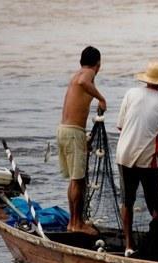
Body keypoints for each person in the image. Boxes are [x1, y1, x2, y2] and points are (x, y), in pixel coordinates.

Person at [115, 60, 158, 256]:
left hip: (123, 154)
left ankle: (128, 245)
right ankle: (156, 244)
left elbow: (121, 126)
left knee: (127, 201)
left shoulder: (131, 94)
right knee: (156, 205)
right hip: (148, 159)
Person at [57, 45, 107, 235]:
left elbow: (81, 84)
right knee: (78, 180)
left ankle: (73, 222)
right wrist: (101, 99)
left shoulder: (76, 74)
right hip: (72, 132)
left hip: (65, 130)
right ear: (98, 64)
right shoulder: (87, 74)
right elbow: (84, 81)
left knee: (75, 180)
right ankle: (77, 224)